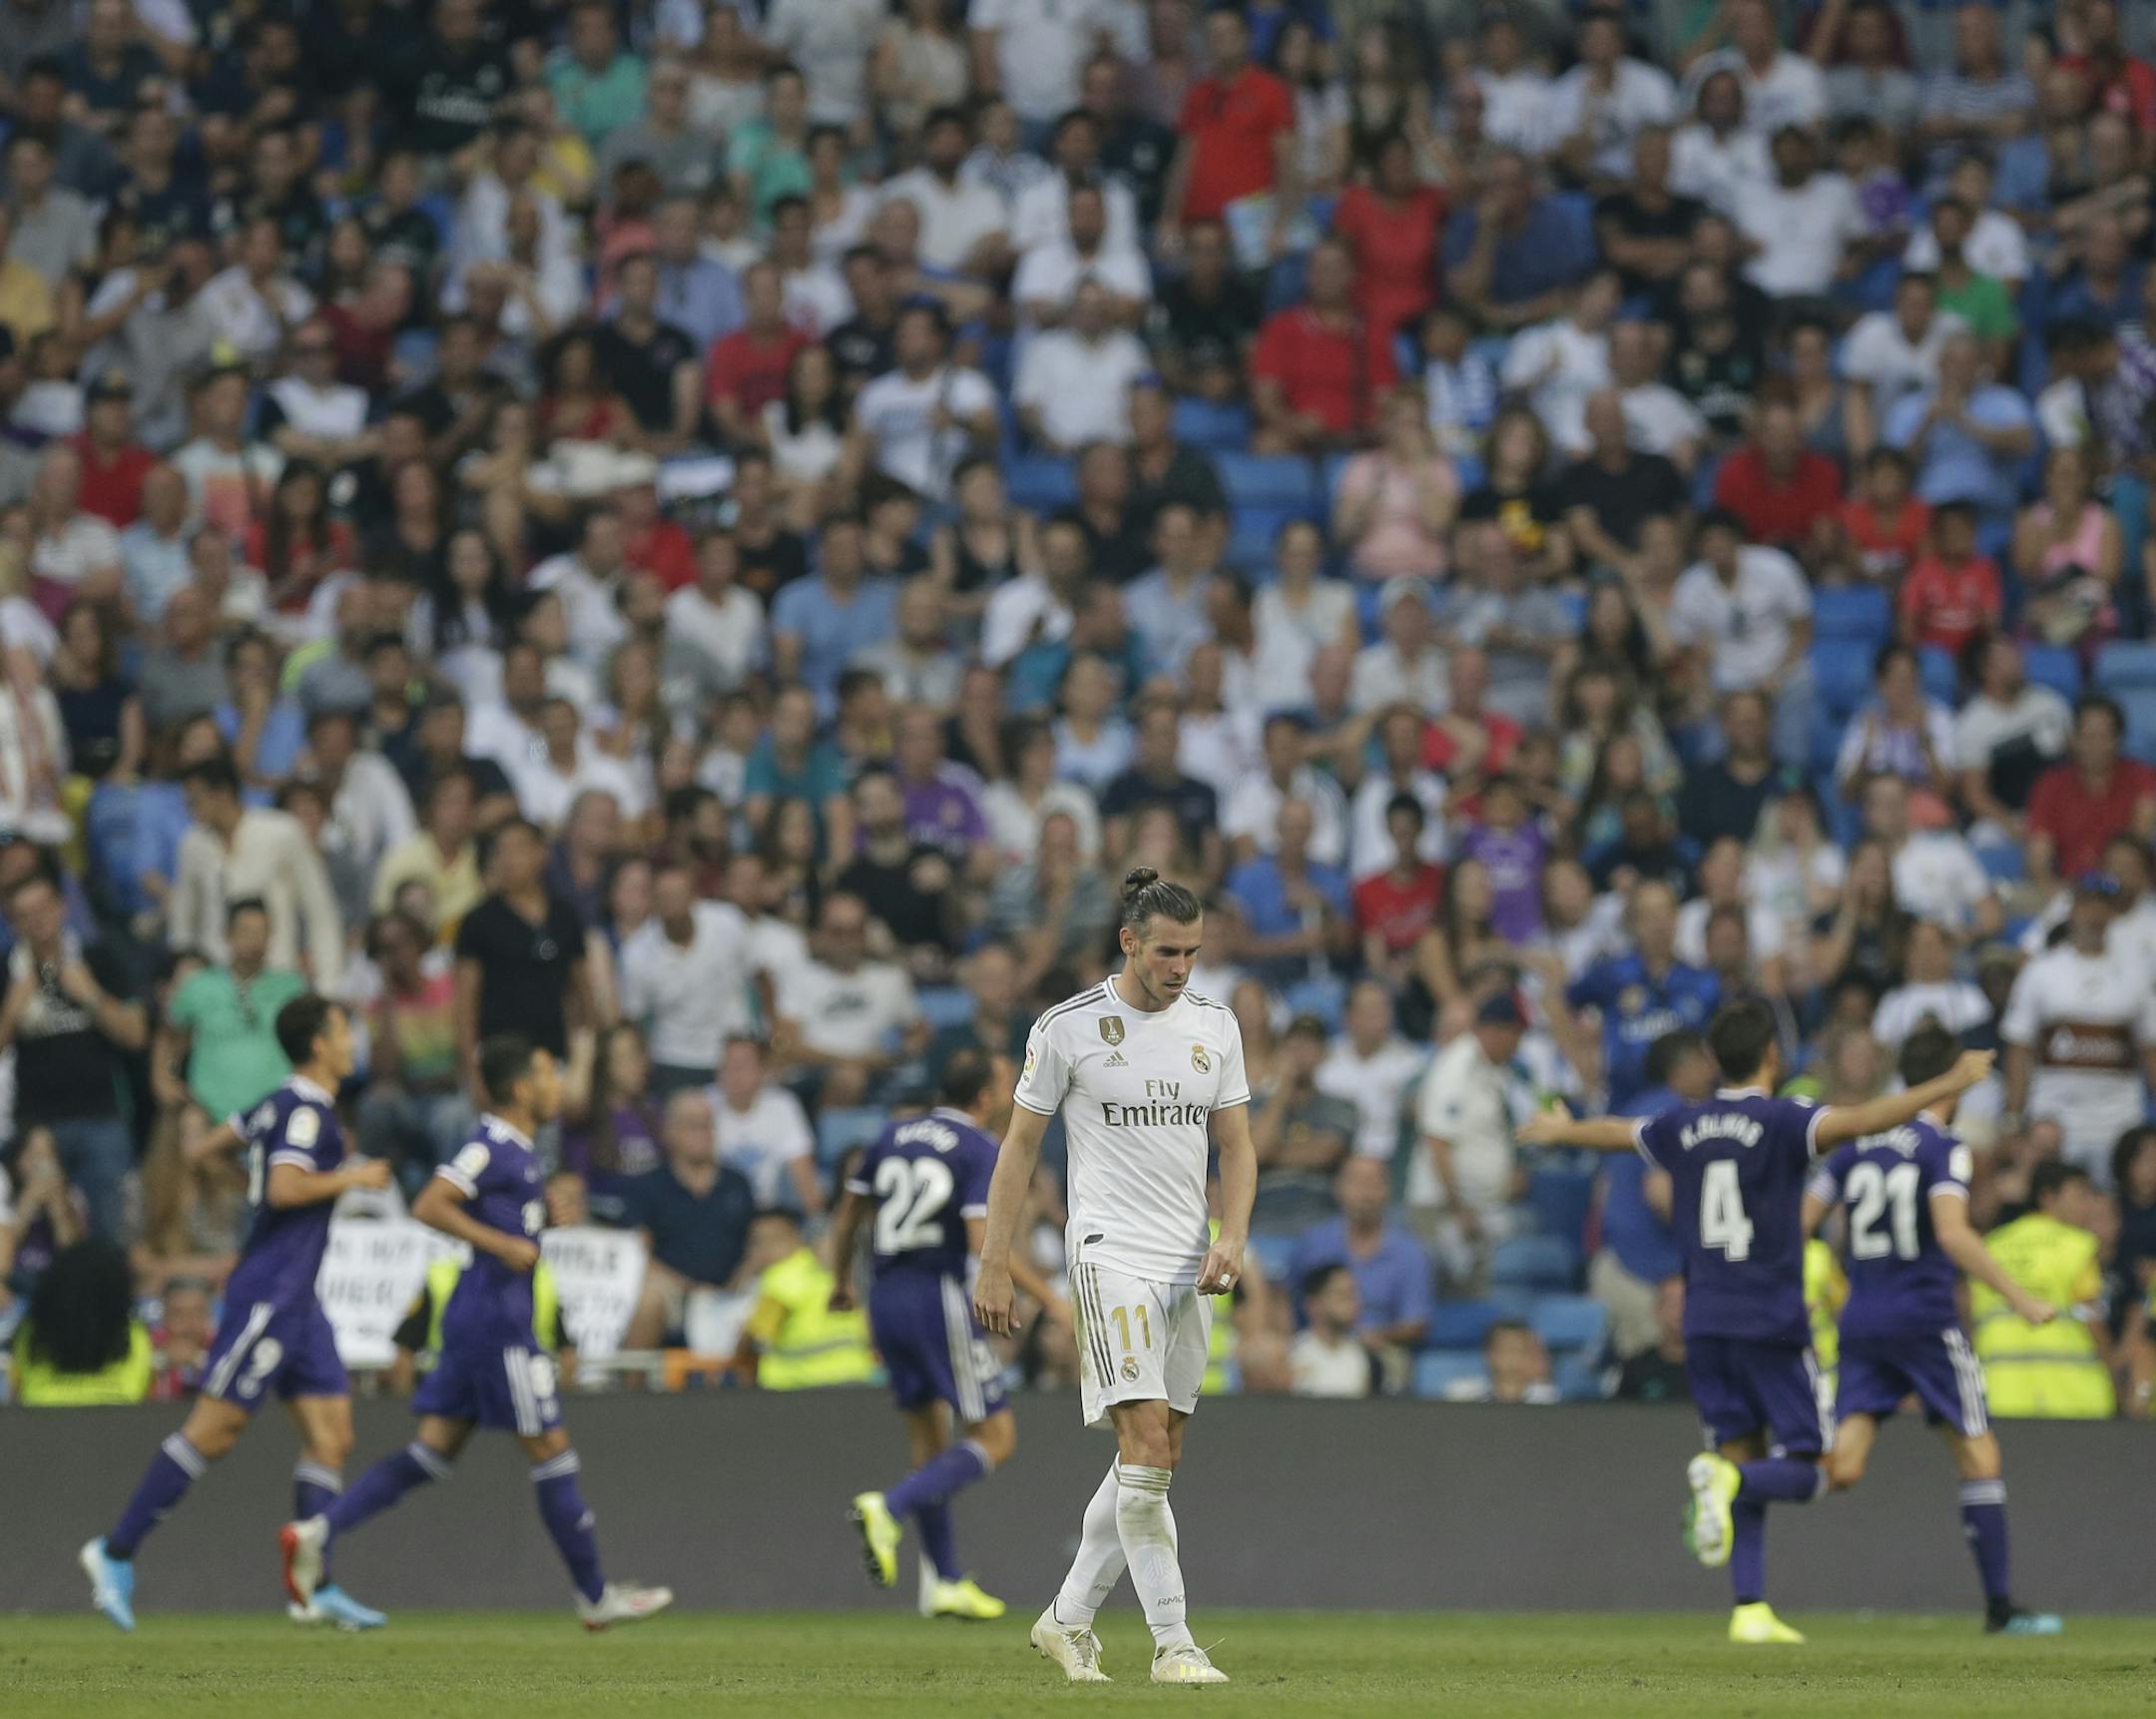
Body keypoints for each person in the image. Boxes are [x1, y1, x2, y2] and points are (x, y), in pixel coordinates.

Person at [1519, 998, 1994, 1644]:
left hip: (1705, 1321)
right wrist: (1949, 1083)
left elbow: (1619, 1132)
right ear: (1772, 1055)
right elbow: (1862, 1120)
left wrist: (1560, 1131)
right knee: (1811, 1467)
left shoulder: (1682, 1123)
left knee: (1737, 1448)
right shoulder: (1783, 1120)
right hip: (1771, 1319)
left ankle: (1749, 1608)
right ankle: (1729, 1484)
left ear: (1714, 1060)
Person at [281, 1034, 673, 1628]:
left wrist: (543, 1218)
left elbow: (506, 1220)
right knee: (551, 1451)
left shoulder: (518, 1153)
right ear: (521, 1089)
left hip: (477, 1318)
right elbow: (430, 1204)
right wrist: (503, 1243)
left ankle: (317, 1531)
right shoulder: (490, 1143)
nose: (557, 1084)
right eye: (547, 1073)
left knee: (432, 1451)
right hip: (500, 1324)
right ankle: (595, 1597)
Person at [975, 867, 1254, 1686]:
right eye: (1166, 952)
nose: (1180, 968)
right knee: (1144, 1443)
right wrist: (997, 1262)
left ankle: (1066, 1619)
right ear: (1129, 942)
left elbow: (1236, 1147)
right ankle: (1174, 1646)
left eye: (1193, 953)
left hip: (1188, 1258)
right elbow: (1019, 1147)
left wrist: (1232, 1234)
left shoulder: (1217, 1026)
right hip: (1110, 1250)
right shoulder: (1067, 1028)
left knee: (1156, 1461)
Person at [82, 996, 391, 1633]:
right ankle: (113, 1553)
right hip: (272, 1293)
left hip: (302, 1300)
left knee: (332, 1436)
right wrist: (351, 1178)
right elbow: (283, 1187)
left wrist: (249, 1177)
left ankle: (315, 1586)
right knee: (212, 1432)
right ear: (318, 1044)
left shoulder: (278, 1102)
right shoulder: (306, 1110)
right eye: (342, 1031)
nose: (352, 1041)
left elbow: (202, 1150)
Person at [1801, 1023, 2063, 1636]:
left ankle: (1741, 1479)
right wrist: (2019, 1298)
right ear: (1956, 1083)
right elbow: (1951, 1233)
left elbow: (1802, 1220)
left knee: (1842, 1467)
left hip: (1862, 1321)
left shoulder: (1853, 1147)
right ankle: (2000, 1608)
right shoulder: (1944, 1147)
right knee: (1977, 1453)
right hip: (1923, 1320)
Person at [830, 1047, 1057, 1621]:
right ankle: (890, 1506)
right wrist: (1053, 1299)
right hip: (936, 1294)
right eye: (1004, 1084)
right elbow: (985, 1242)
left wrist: (840, 1283)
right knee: (997, 1435)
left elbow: (846, 1218)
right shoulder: (981, 1148)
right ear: (983, 1096)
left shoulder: (893, 1135)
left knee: (930, 1442)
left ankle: (944, 1581)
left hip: (885, 1296)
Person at [1972, 1161, 2116, 1420]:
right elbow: (2090, 1317)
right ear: (2048, 1198)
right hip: (2070, 1398)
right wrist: (2113, 1367)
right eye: (2079, 1196)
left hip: (2000, 1394)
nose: (2087, 1206)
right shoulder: (2077, 1246)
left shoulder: (1989, 1246)